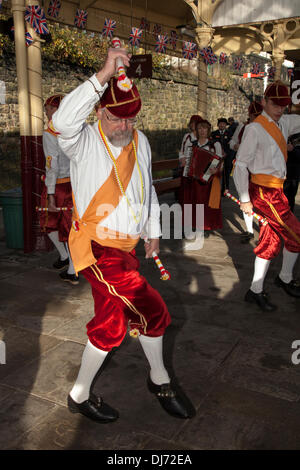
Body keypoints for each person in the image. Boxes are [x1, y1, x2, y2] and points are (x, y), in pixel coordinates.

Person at [52, 46, 193, 422]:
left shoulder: (140, 141)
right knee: (152, 310)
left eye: (131, 121)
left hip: (128, 247)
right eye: (117, 120)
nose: (124, 129)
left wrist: (153, 232)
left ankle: (79, 395)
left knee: (112, 322)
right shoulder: (81, 139)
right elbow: (62, 121)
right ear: (101, 111)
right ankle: (160, 379)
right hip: (97, 248)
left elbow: (144, 191)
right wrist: (102, 74)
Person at [233, 81, 300, 312]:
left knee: (270, 243)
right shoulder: (254, 128)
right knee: (296, 235)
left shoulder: (284, 122)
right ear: (264, 102)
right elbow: (240, 165)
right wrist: (244, 198)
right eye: (274, 104)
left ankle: (255, 290)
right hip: (264, 192)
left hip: (276, 189)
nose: (279, 109)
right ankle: (284, 277)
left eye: (283, 105)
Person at [40, 95, 79, 285]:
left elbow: (52, 165)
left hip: (60, 185)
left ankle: (73, 268)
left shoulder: (51, 132)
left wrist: (50, 193)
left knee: (63, 226)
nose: (45, 111)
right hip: (77, 183)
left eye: (47, 108)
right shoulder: (77, 128)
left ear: (56, 110)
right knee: (65, 225)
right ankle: (66, 258)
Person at [182, 119, 223, 249]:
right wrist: (186, 166)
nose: (202, 131)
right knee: (190, 204)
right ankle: (190, 230)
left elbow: (220, 162)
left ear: (208, 130)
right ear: (197, 130)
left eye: (205, 128)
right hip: (192, 180)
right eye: (200, 128)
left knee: (201, 206)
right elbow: (187, 161)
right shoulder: (192, 144)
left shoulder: (214, 145)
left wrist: (216, 169)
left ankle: (200, 233)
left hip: (206, 181)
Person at [230, 101, 263, 243]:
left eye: (258, 115)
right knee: (245, 198)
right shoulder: (243, 127)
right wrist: (236, 145)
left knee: (261, 201)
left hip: (260, 170)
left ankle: (263, 232)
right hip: (244, 168)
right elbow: (232, 142)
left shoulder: (266, 127)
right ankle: (249, 230)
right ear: (250, 115)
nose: (256, 118)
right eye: (254, 115)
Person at [211, 118, 232, 191]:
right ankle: (214, 189)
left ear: (226, 125)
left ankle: (225, 189)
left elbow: (231, 146)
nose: (222, 125)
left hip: (227, 156)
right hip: (216, 157)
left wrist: (227, 153)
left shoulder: (229, 133)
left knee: (226, 174)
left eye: (224, 123)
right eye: (220, 123)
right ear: (218, 125)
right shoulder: (214, 134)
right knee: (214, 172)